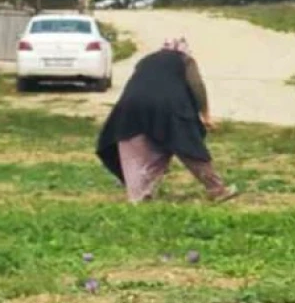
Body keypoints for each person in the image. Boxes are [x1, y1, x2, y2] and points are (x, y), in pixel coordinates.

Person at [95, 38, 238, 204]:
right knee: (188, 147)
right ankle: (217, 190)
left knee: (134, 153)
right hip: (169, 107)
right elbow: (196, 85)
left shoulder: (145, 60)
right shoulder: (184, 59)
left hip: (130, 106)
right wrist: (205, 114)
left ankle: (138, 196)